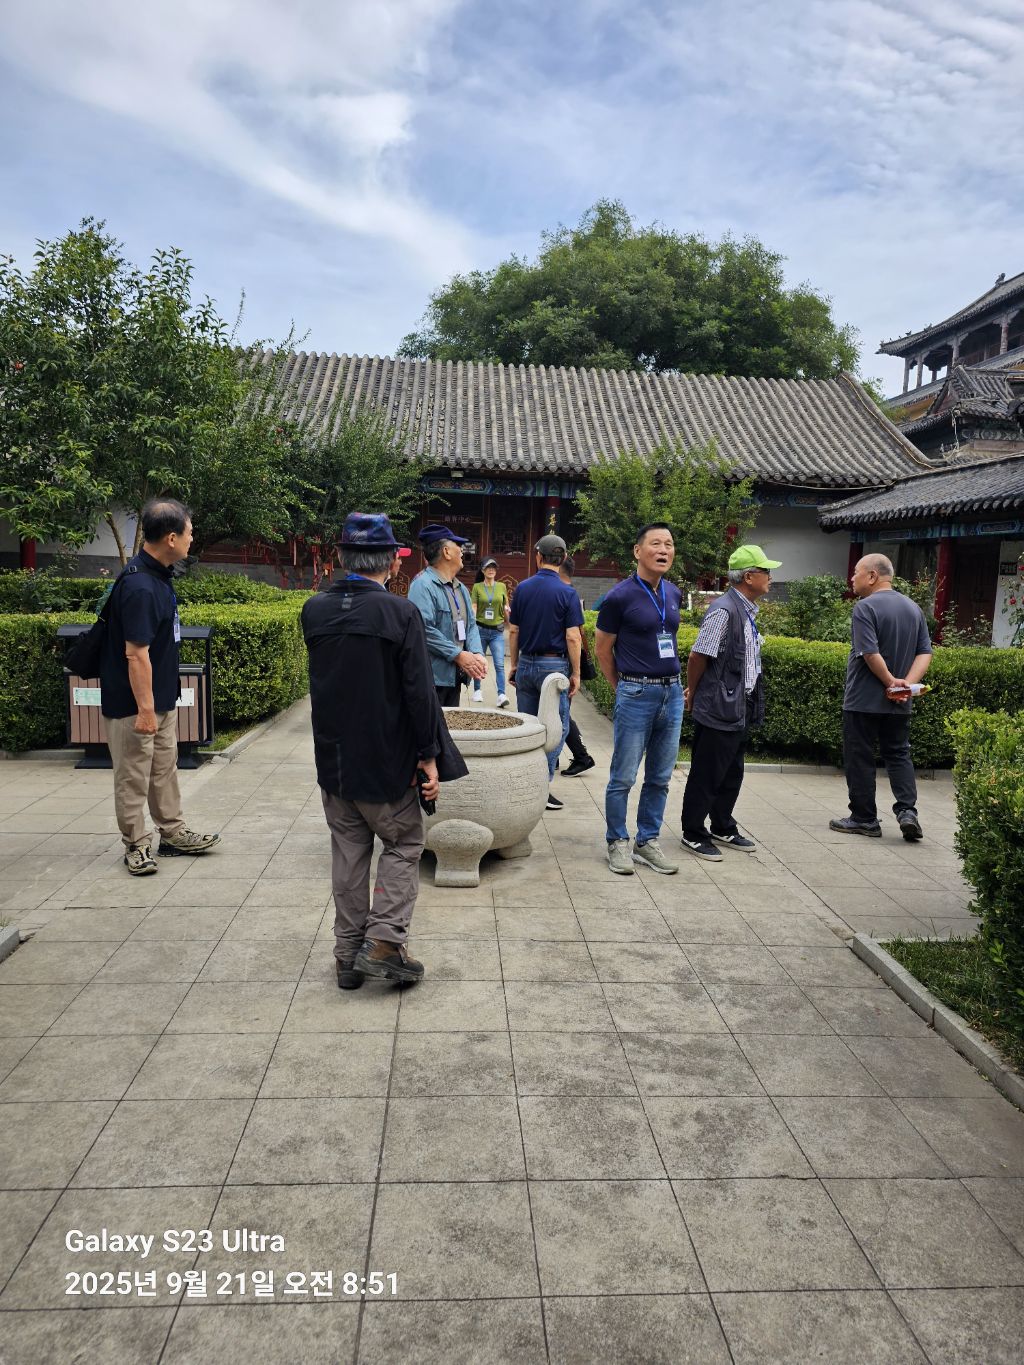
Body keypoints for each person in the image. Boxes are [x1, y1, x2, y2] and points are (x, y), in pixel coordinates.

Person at [301, 512, 467, 990]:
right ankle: (385, 943)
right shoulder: (399, 613)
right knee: (404, 843)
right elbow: (419, 694)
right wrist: (429, 756)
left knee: (349, 853)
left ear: (340, 556)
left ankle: (347, 956)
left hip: (334, 759)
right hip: (386, 760)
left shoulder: (314, 610)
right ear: (393, 562)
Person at [100, 499, 221, 876]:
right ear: (171, 537)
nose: (191, 538)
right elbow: (135, 654)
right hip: (134, 705)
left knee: (163, 769)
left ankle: (171, 832)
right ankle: (136, 844)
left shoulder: (158, 576)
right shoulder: (140, 586)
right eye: (189, 532)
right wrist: (146, 710)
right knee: (133, 775)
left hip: (160, 698)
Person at [679, 543, 780, 861]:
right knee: (707, 773)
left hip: (739, 705)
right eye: (766, 571)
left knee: (732, 771)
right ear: (749, 577)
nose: (770, 577)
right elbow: (698, 655)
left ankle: (722, 825)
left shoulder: (745, 610)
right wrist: (693, 692)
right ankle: (693, 832)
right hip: (719, 705)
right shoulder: (724, 610)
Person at [595, 524, 683, 875]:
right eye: (656, 543)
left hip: (672, 694)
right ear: (637, 551)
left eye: (669, 544)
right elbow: (602, 649)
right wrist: (622, 686)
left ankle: (647, 841)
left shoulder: (673, 593)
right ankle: (617, 841)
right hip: (636, 693)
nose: (664, 550)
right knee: (623, 776)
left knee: (660, 776)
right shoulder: (619, 597)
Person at [830, 553, 933, 840]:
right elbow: (925, 652)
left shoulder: (865, 607)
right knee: (899, 754)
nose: (852, 578)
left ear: (873, 576)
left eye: (856, 572)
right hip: (899, 702)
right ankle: (907, 811)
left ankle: (864, 818)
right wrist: (905, 686)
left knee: (859, 757)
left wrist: (890, 682)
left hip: (863, 700)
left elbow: (869, 652)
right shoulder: (913, 608)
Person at [508, 533, 583, 812]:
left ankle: (525, 785)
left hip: (527, 664)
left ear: (538, 557)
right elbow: (573, 637)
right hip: (554, 667)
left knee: (527, 727)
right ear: (563, 558)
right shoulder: (567, 593)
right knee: (556, 728)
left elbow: (514, 630)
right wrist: (576, 673)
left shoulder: (523, 588)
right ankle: (541, 784)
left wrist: (514, 664)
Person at [407, 524, 487, 706]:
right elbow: (424, 629)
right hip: (432, 678)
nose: (462, 551)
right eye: (458, 545)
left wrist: (477, 653)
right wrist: (458, 655)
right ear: (446, 552)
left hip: (454, 676)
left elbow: (471, 625)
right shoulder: (423, 585)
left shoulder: (460, 588)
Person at [557, 557, 595, 776]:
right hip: (565, 662)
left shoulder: (566, 594)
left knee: (560, 713)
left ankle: (582, 756)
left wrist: (576, 672)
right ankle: (556, 757)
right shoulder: (570, 593)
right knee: (558, 712)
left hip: (564, 662)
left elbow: (575, 636)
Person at [470, 558, 510, 707]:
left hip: (497, 632)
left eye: (493, 567)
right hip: (480, 630)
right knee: (478, 662)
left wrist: (511, 625)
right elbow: (474, 607)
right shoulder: (477, 587)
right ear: (482, 570)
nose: (491, 570)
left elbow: (506, 606)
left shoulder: (501, 586)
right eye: (488, 567)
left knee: (499, 664)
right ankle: (477, 690)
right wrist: (472, 626)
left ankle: (501, 694)